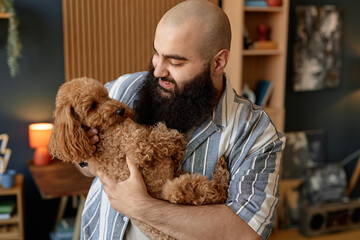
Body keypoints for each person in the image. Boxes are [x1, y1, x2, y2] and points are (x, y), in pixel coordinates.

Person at [78, 0, 286, 239]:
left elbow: (248, 232)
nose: (158, 70)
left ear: (218, 62)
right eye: (157, 53)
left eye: (175, 62)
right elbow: (84, 166)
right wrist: (86, 151)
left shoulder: (255, 133)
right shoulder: (122, 89)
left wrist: (141, 207)